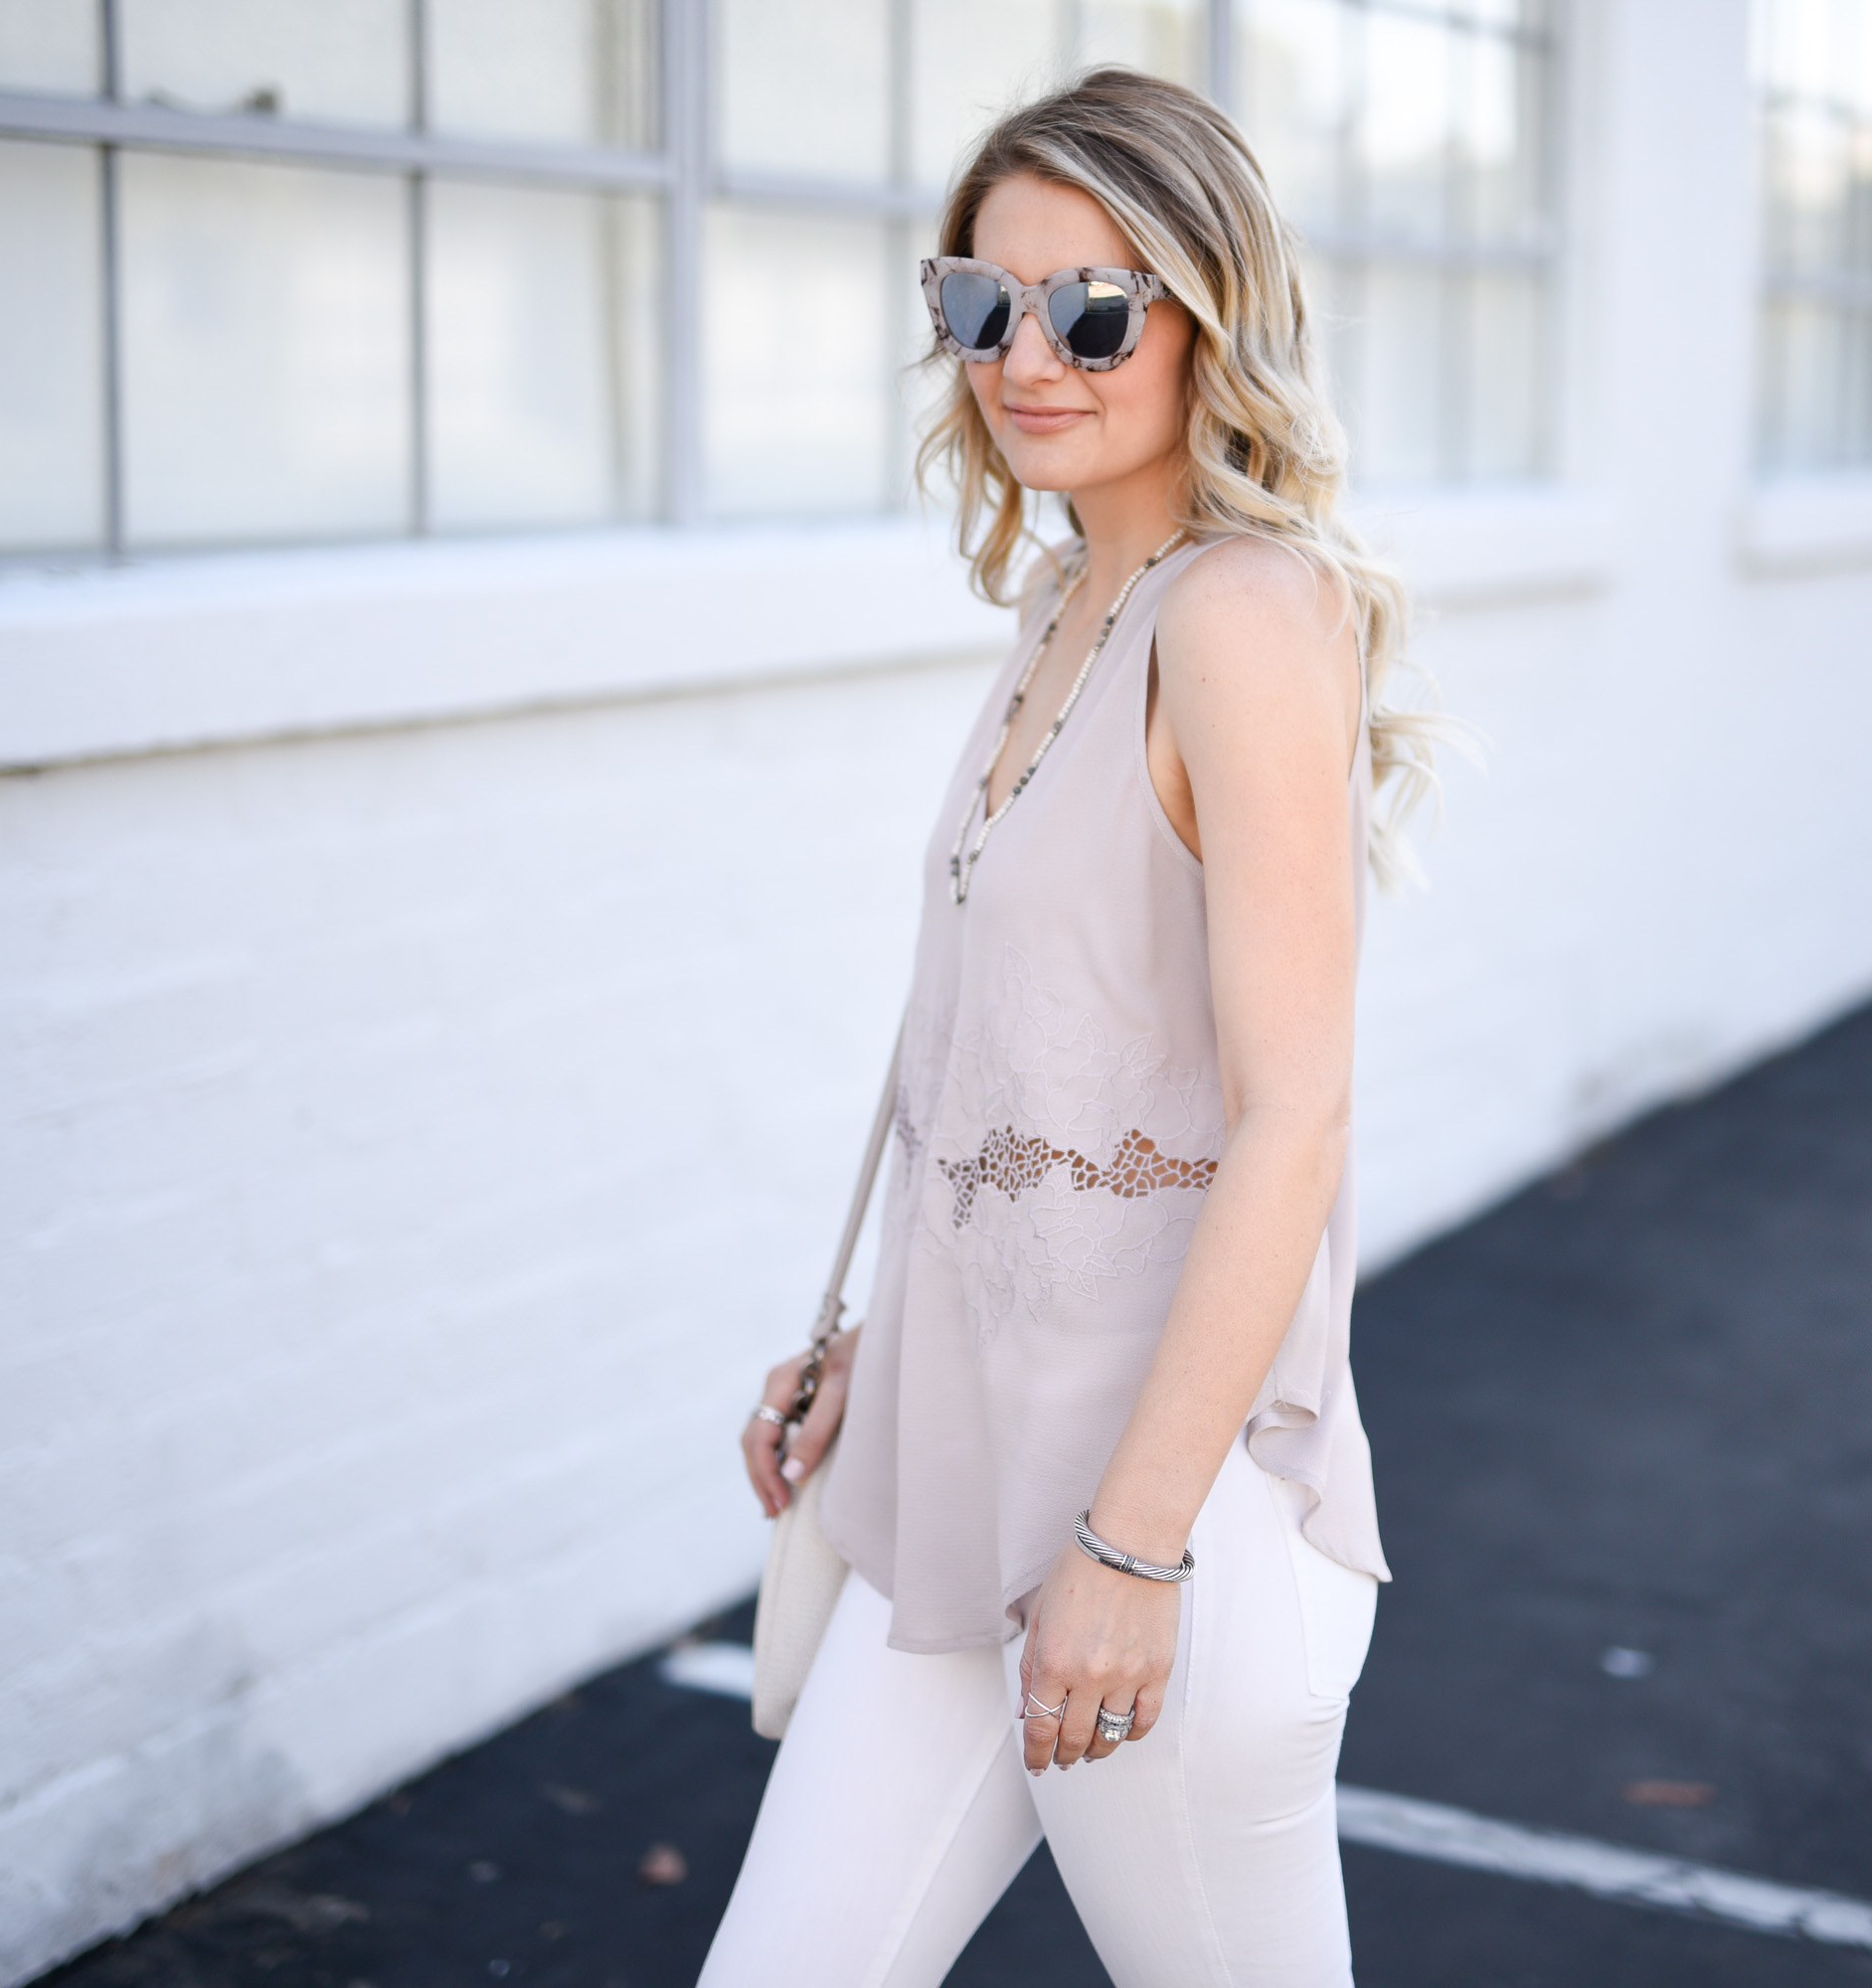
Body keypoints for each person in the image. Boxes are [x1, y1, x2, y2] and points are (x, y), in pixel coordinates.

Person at [704, 66, 1441, 1988]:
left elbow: (1296, 1118)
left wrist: (1134, 1553)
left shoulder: (1243, 614)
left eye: (1094, 305)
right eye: (980, 301)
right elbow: (1028, 1052)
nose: (1026, 356)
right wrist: (885, 1331)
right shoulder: (1065, 591)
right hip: (959, 1471)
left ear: (1213, 314)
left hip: (1153, 1531)